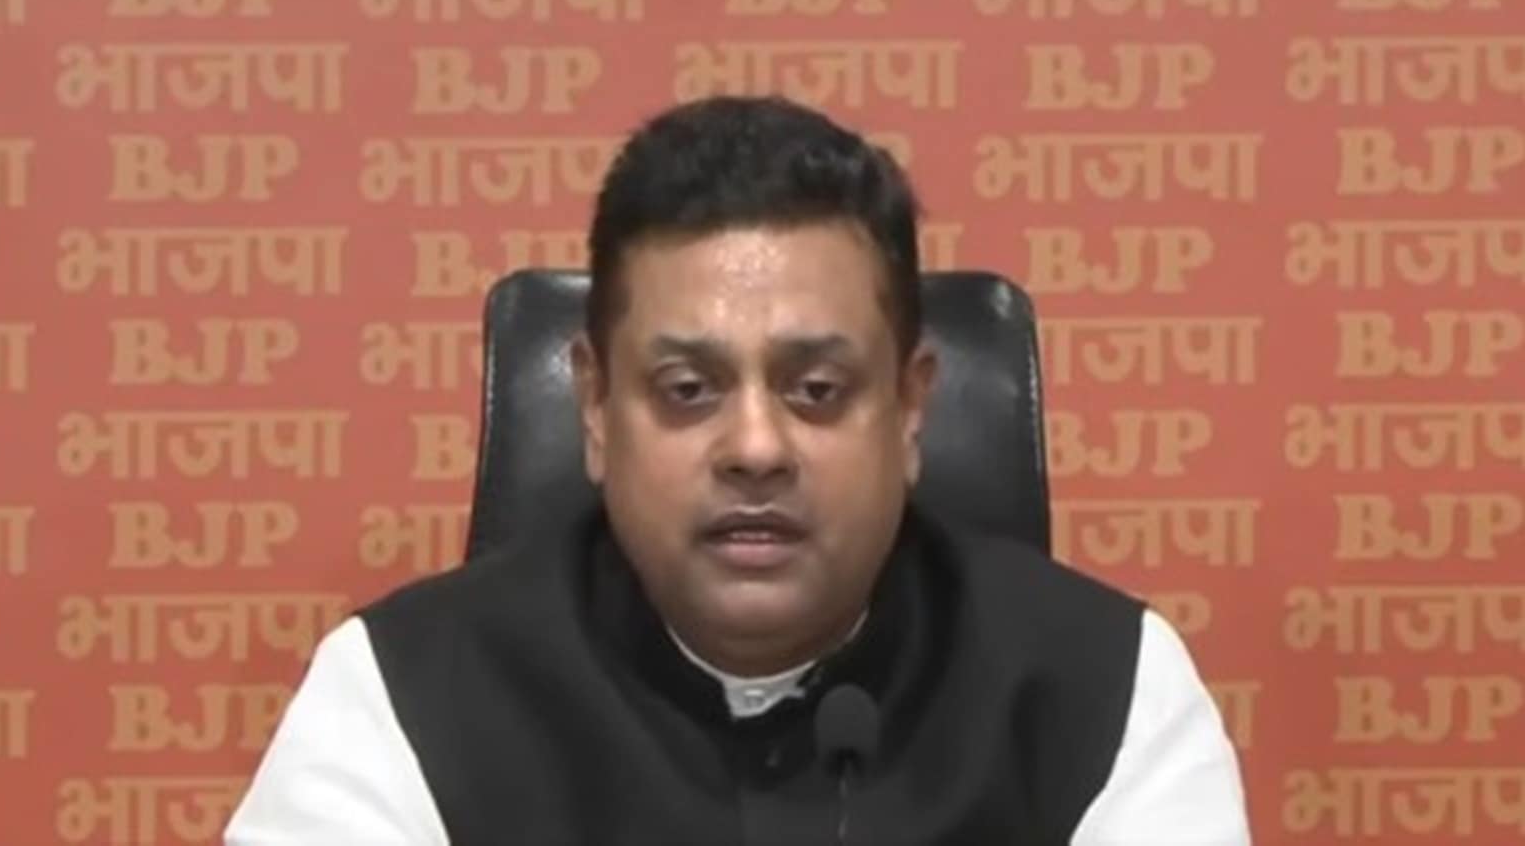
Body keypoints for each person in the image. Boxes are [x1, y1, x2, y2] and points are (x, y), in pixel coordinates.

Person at [225, 95, 1250, 844]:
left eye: (816, 390)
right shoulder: (404, 695)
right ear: (595, 407)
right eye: (687, 390)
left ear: (909, 407)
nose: (755, 448)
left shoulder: (1105, 692)